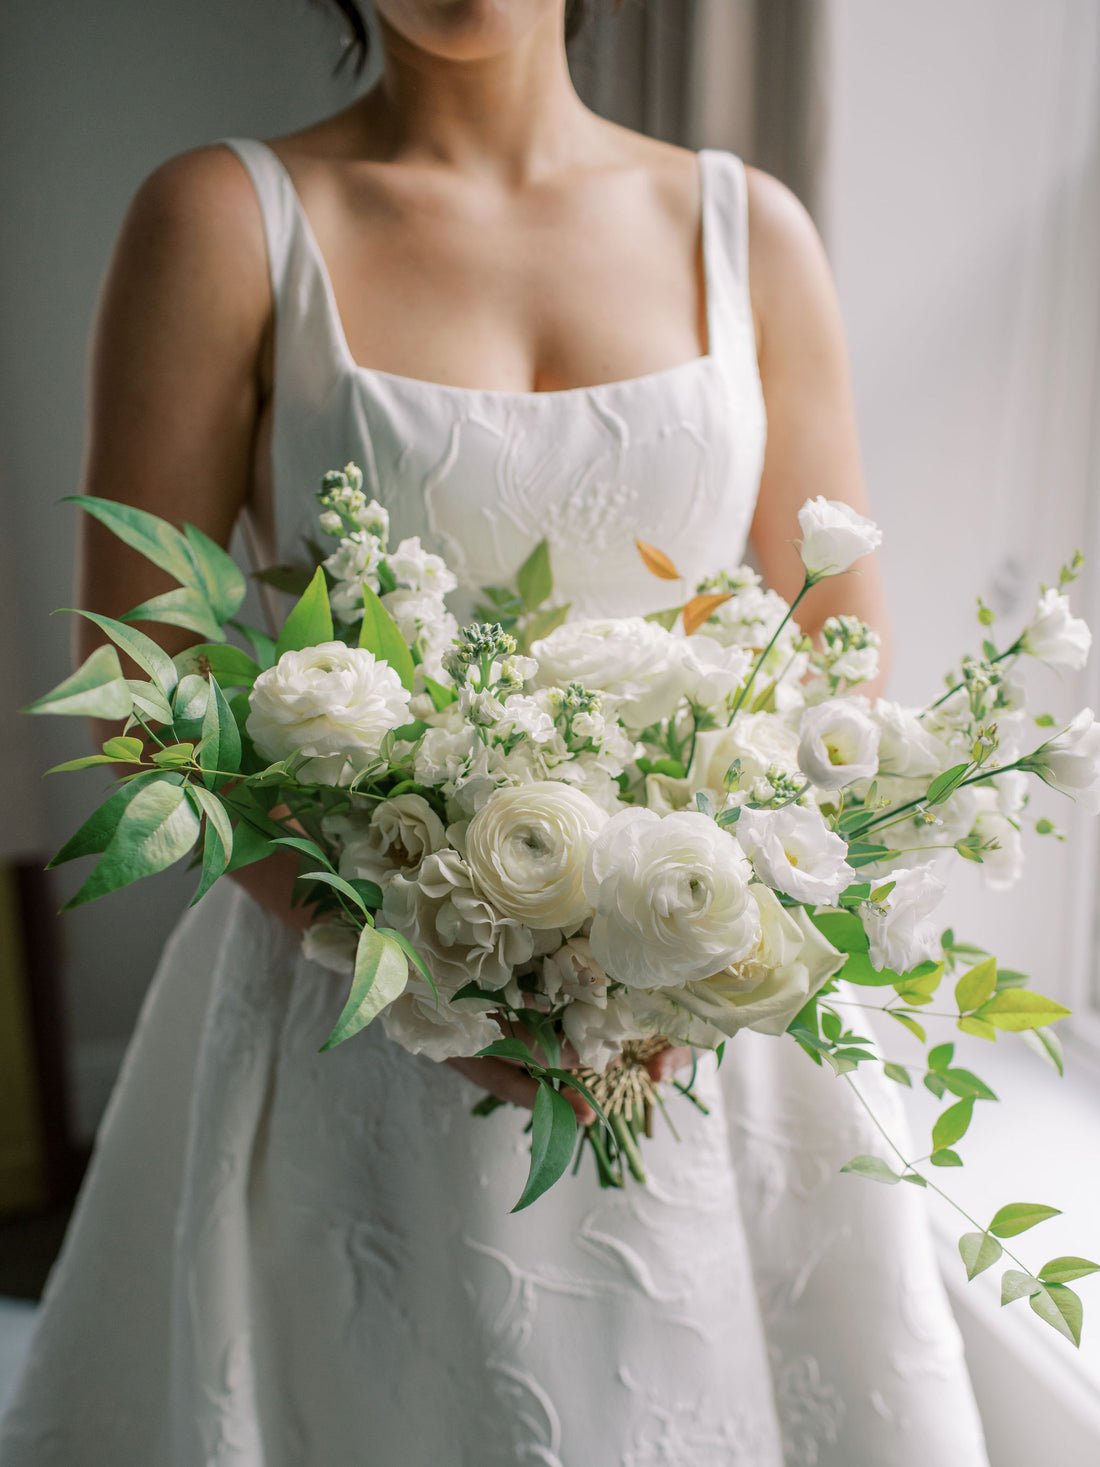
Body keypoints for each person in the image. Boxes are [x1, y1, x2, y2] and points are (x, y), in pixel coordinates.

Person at [0, 2, 991, 1463]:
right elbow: (142, 681)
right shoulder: (221, 217)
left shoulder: (748, 228)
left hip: (703, 990)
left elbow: (839, 653)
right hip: (352, 996)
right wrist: (431, 968)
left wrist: (688, 956)